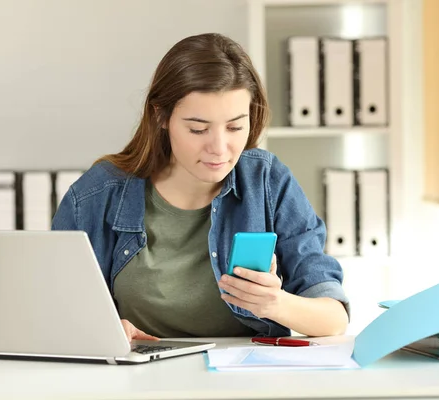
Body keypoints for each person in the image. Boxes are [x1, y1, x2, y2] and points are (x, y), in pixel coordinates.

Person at [52, 32, 349, 341]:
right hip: (137, 384)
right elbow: (53, 314)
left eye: (235, 127)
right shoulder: (97, 194)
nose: (219, 148)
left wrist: (275, 303)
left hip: (243, 382)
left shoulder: (268, 181)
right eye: (198, 129)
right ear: (161, 117)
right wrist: (99, 331)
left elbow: (333, 319)